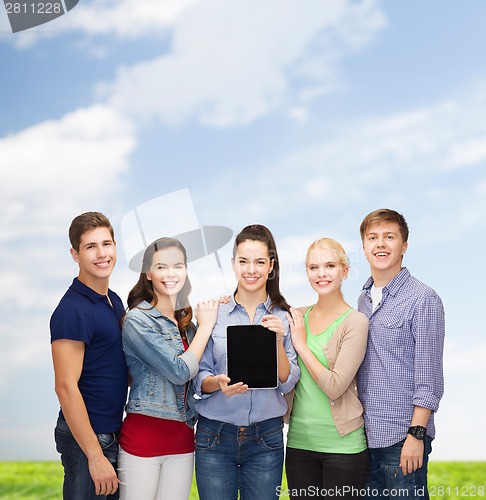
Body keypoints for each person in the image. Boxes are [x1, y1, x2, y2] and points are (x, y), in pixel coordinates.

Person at [193, 224, 300, 500]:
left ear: (271, 266)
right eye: (243, 261)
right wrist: (217, 383)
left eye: (259, 262)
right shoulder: (214, 313)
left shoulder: (284, 316)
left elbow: (287, 383)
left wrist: (277, 340)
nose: (251, 269)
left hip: (266, 439)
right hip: (214, 436)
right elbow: (198, 376)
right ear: (233, 264)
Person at [117, 237, 219, 500]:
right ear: (148, 273)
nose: (170, 274)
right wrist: (207, 326)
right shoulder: (137, 320)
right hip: (143, 440)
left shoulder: (187, 324)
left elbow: (199, 376)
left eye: (178, 266)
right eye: (161, 267)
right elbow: (179, 371)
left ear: (185, 270)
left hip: (183, 440)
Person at [357, 209, 445, 500]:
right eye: (373, 237)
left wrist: (416, 436)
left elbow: (429, 376)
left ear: (404, 246)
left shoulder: (423, 299)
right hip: (365, 438)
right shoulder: (363, 299)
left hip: (402, 438)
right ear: (364, 246)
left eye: (389, 237)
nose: (380, 244)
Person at [50, 211, 128, 499]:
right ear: (75, 254)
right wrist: (95, 456)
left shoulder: (113, 300)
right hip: (87, 441)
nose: (101, 254)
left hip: (111, 433)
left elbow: (118, 367)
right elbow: (65, 387)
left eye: (106, 244)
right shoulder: (72, 310)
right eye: (90, 247)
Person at [285, 238, 370, 499]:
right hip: (299, 445)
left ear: (344, 271)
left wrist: (301, 344)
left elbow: (335, 386)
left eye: (330, 265)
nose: (321, 273)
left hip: (343, 449)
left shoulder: (356, 322)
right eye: (313, 267)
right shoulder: (296, 316)